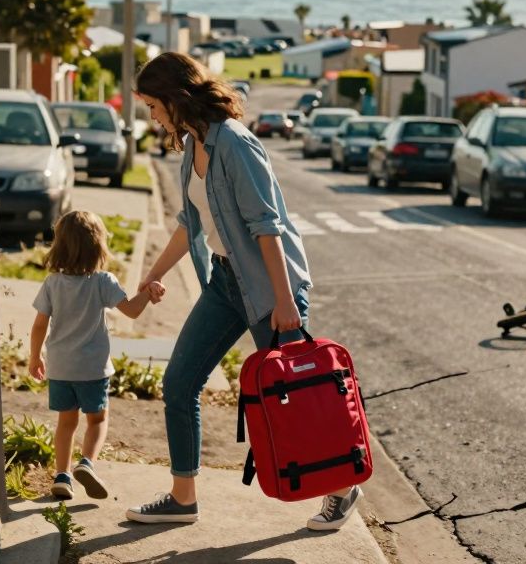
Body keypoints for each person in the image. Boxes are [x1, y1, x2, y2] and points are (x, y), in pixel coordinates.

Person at [125, 52, 362, 531]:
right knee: (179, 384)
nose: (150, 116)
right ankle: (183, 497)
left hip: (267, 286)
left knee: (300, 390)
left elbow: (266, 227)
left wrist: (284, 300)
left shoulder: (235, 144)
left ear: (174, 99)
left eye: (152, 105)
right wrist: (154, 275)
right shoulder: (192, 145)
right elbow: (189, 223)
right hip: (223, 282)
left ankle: (343, 486)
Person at [28, 210, 165, 501]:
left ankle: (62, 475)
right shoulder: (103, 281)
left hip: (61, 367)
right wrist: (148, 293)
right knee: (97, 420)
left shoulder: (52, 283)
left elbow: (39, 325)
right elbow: (132, 310)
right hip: (93, 368)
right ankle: (86, 462)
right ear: (98, 247)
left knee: (66, 423)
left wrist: (34, 357)